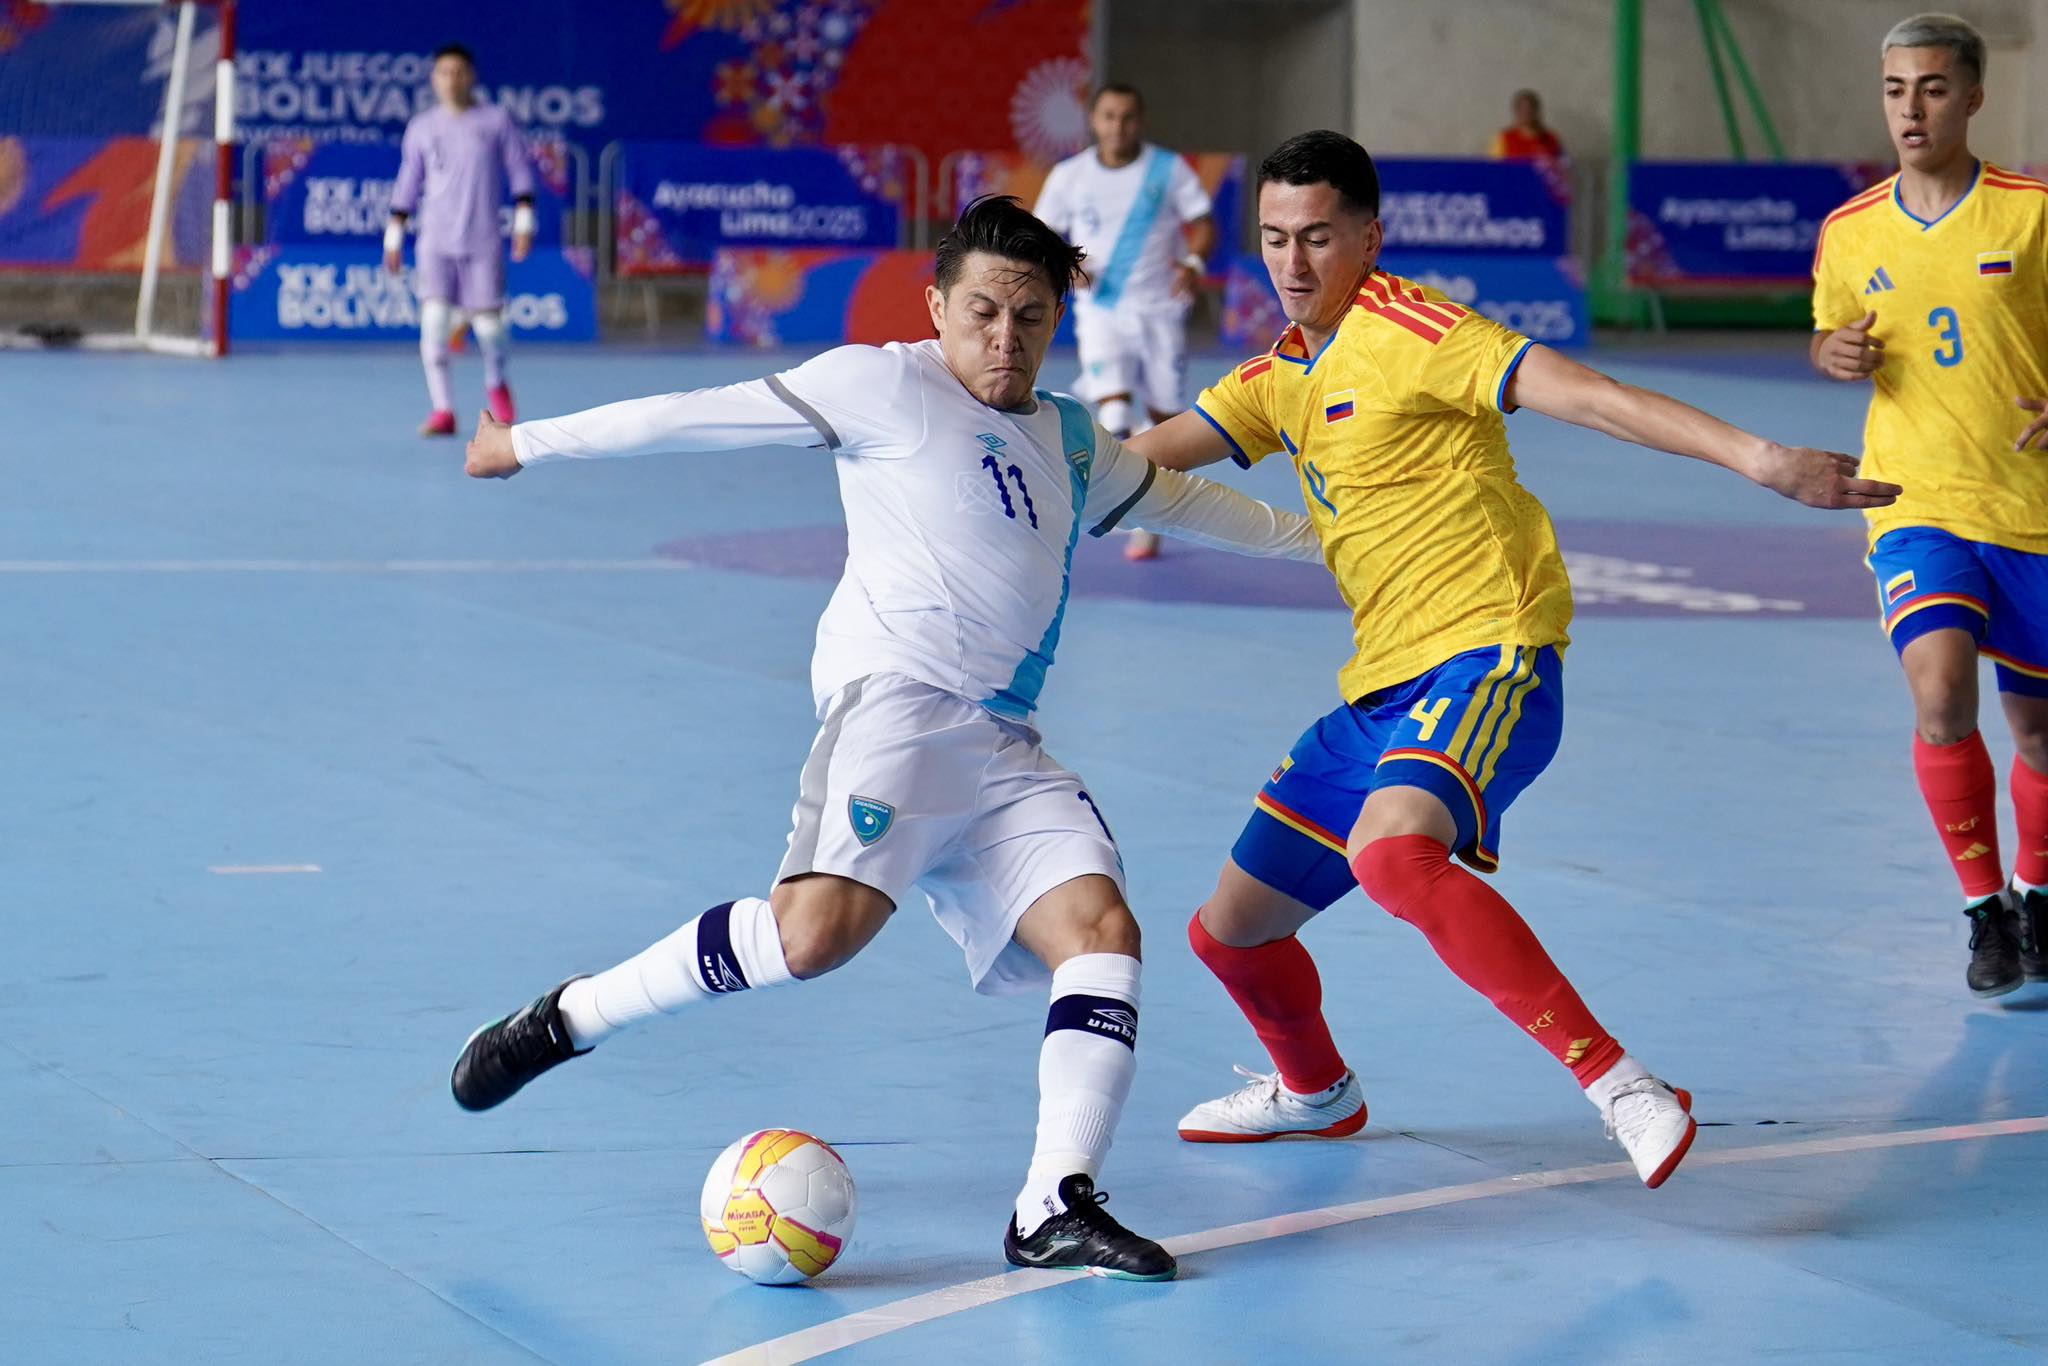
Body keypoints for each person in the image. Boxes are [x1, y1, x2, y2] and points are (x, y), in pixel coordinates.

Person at [448, 197, 1323, 1280]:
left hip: (1006, 744)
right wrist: (520, 442)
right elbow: (691, 412)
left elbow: (1189, 505)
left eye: (1031, 317)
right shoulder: (883, 383)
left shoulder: (1069, 435)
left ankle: (1054, 1200)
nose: (1004, 339)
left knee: (1101, 929)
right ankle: (570, 1016)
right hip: (899, 709)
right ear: (937, 307)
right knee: (810, 938)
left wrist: (1336, 547)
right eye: (983, 312)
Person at [1126, 131, 1898, 1187]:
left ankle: (1619, 1083)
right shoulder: (1278, 378)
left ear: (1368, 238)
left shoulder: (1420, 328)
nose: (1292, 264)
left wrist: (1760, 458)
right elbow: (1135, 460)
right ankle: (1314, 1093)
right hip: (1379, 692)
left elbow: (1588, 395)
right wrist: (1011, 454)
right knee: (1230, 934)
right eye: (1272, 239)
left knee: (1392, 858)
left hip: (1489, 656)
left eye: (1316, 238)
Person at [1810, 13, 2048, 998]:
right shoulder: (1848, 228)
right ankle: (1981, 908)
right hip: (1915, 503)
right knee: (1941, 692)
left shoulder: (2031, 213)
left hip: (2029, 509)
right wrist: (1828, 355)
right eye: (1894, 89)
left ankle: (2036, 892)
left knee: (2036, 734)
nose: (1910, 108)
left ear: (1973, 97)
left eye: (1933, 88)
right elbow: (1828, 335)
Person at [1034, 83, 1217, 561]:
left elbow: (1203, 223)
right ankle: (1131, 507)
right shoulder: (1069, 176)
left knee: (1164, 421)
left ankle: (1154, 512)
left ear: (1141, 121)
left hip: (1160, 311)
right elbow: (1043, 236)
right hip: (1101, 311)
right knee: (1113, 412)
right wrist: (1068, 267)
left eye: (1128, 117)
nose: (1118, 126)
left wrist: (1193, 266)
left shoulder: (1167, 169)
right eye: (1109, 116)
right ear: (1094, 121)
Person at [386, 43, 535, 438]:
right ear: (434, 79)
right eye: (443, 73)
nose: (450, 80)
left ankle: (496, 381)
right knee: (433, 323)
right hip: (435, 241)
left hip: (483, 240)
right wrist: (394, 234)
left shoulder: (495, 121)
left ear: (471, 76)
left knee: (489, 329)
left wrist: (524, 221)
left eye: (458, 72)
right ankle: (443, 410)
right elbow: (408, 181)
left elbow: (519, 170)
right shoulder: (421, 127)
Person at [1490, 89, 1564, 161]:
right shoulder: (1504, 138)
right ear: (1516, 111)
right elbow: (1495, 168)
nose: (1526, 114)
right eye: (1523, 110)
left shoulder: (1551, 139)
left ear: (1537, 111)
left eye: (1530, 110)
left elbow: (1563, 167)